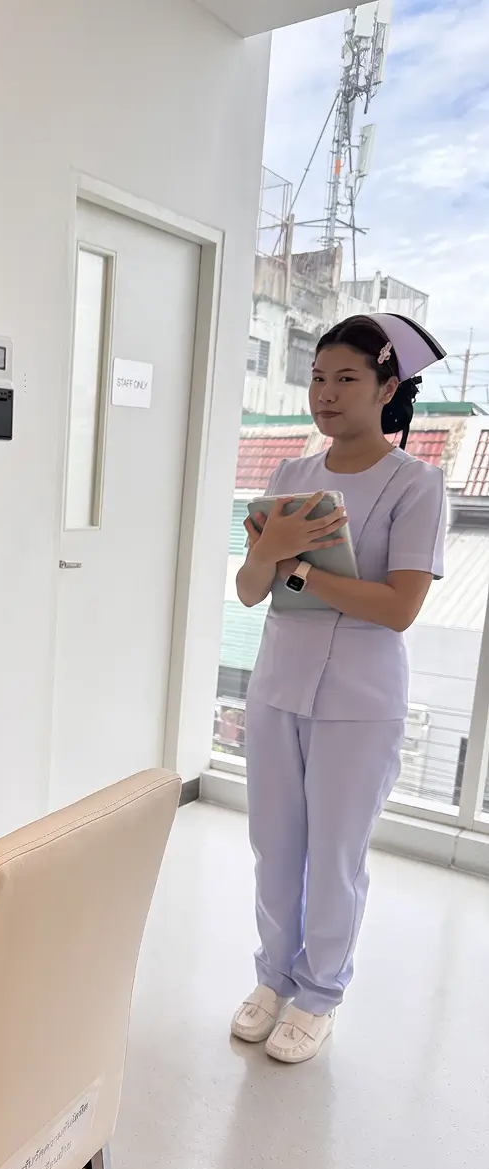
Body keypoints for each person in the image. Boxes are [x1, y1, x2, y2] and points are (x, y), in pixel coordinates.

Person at [231, 313, 448, 1065]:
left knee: (336, 854)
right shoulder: (292, 477)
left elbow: (399, 606)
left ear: (387, 387)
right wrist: (273, 562)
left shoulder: (414, 486)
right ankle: (272, 977)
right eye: (318, 378)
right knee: (275, 845)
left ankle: (319, 992)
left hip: (359, 697)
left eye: (345, 378)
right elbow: (248, 586)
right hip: (279, 684)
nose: (325, 393)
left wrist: (298, 568)